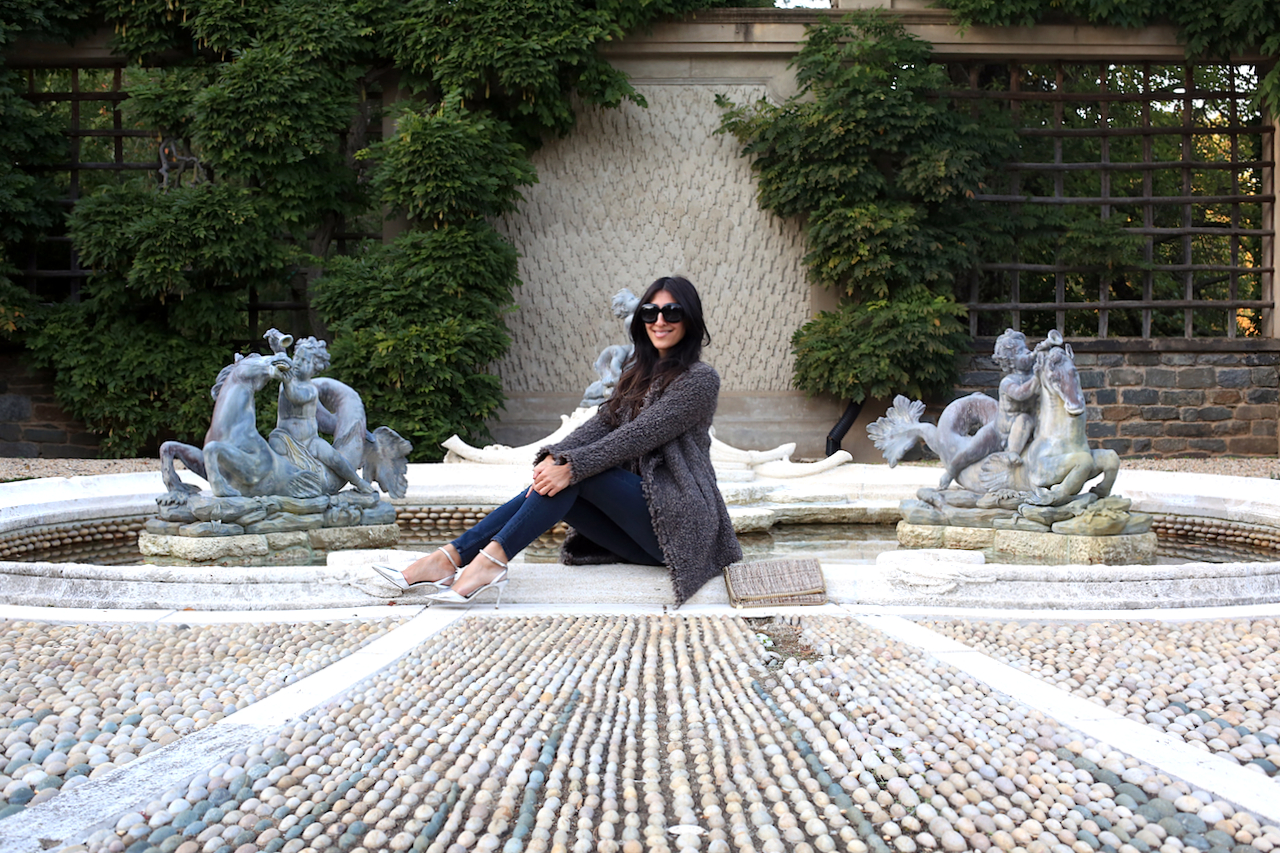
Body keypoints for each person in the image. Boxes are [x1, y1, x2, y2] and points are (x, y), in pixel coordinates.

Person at [370, 275, 742, 606]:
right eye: (650, 312)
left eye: (671, 312)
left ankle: (477, 560)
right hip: (640, 534)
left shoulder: (699, 379)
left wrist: (573, 465)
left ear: (689, 319)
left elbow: (639, 436)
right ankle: (455, 557)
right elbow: (600, 425)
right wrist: (556, 457)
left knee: (579, 474)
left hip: (682, 526)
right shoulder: (635, 375)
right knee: (559, 479)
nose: (659, 321)